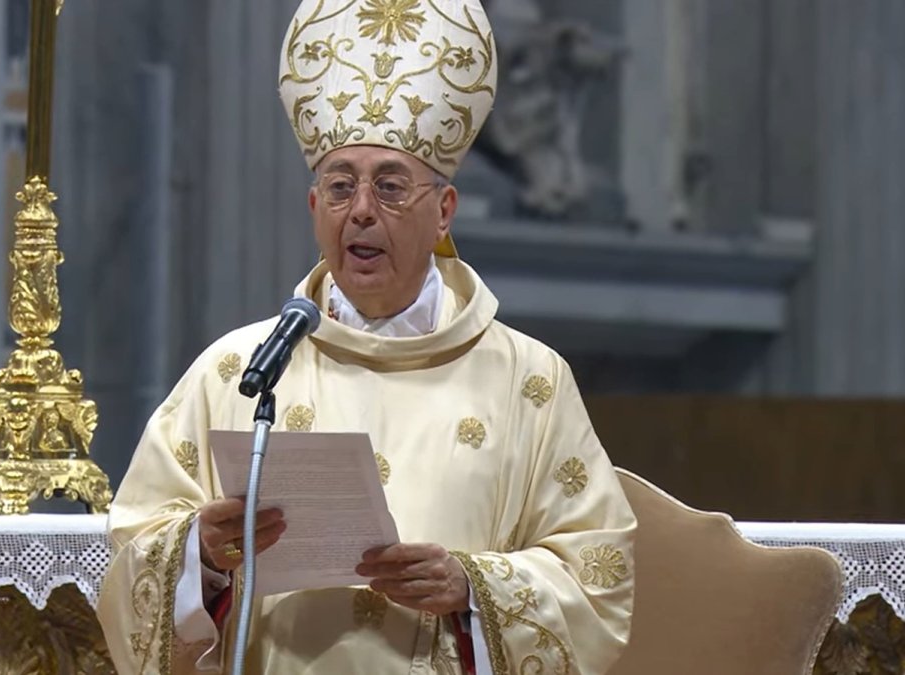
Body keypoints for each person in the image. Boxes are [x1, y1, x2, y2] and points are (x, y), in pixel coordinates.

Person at [96, 1, 635, 673]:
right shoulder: (238, 371)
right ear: (314, 207)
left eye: (390, 186)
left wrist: (472, 588)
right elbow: (130, 556)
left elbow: (597, 578)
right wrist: (199, 553)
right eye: (340, 186)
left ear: (444, 211)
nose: (361, 211)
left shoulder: (530, 381)